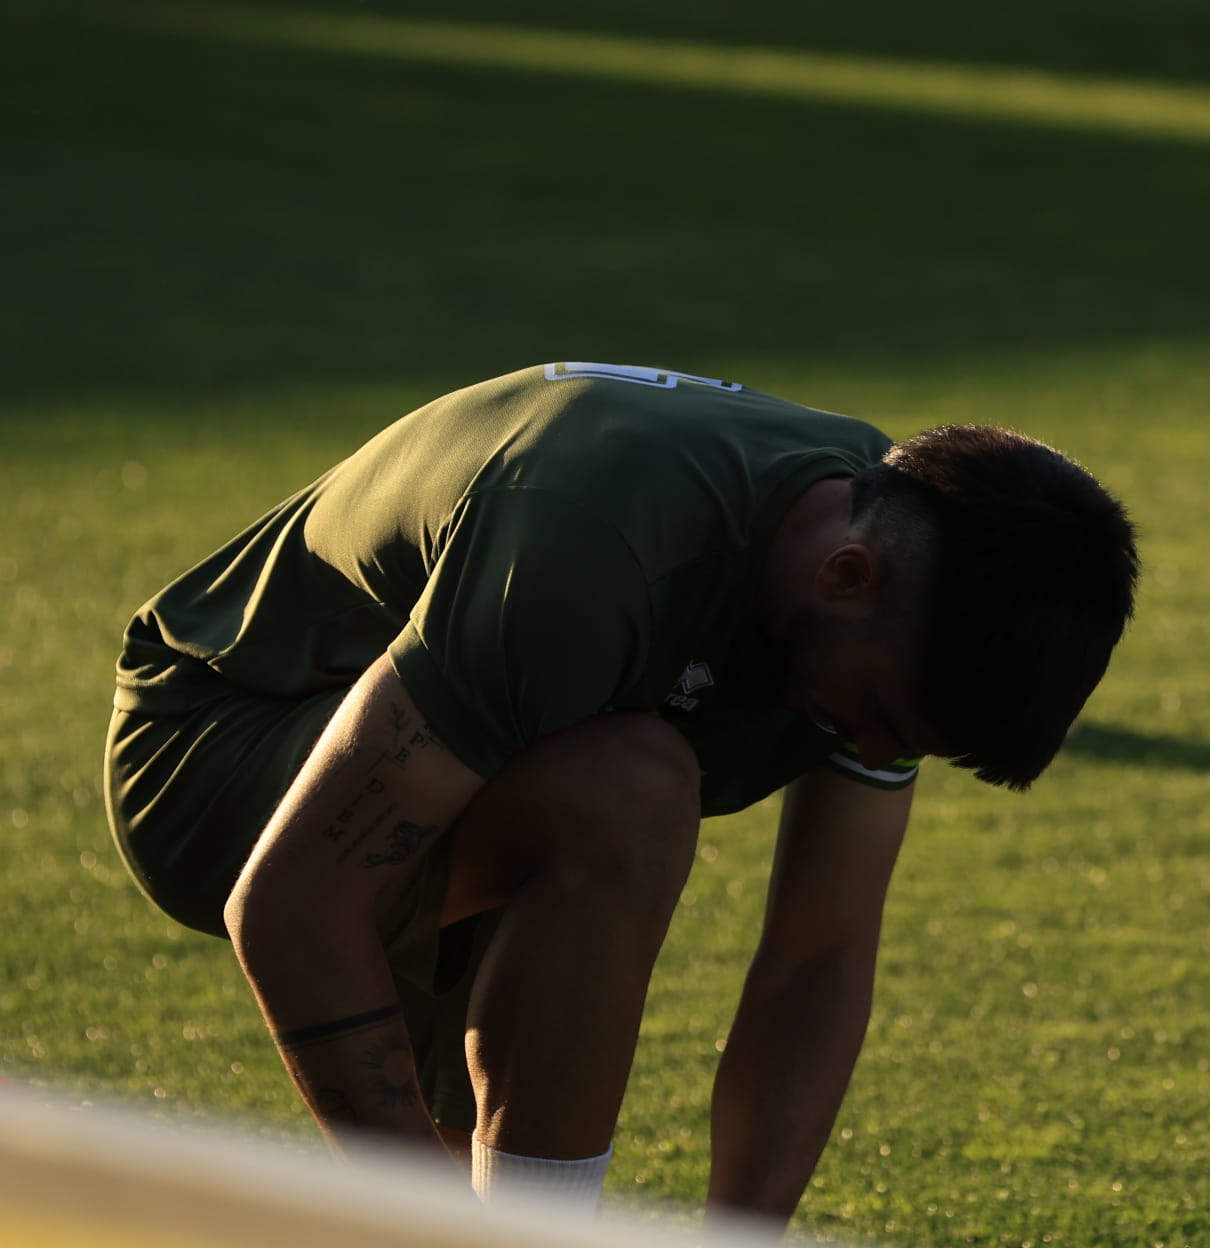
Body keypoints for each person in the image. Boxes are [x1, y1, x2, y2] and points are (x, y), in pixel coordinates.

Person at [101, 361, 1138, 1224]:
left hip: (481, 762)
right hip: (212, 751)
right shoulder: (589, 544)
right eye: (877, 716)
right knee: (631, 792)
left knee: (621, 803)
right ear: (847, 577)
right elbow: (290, 906)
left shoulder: (902, 565)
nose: (866, 750)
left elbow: (816, 958)